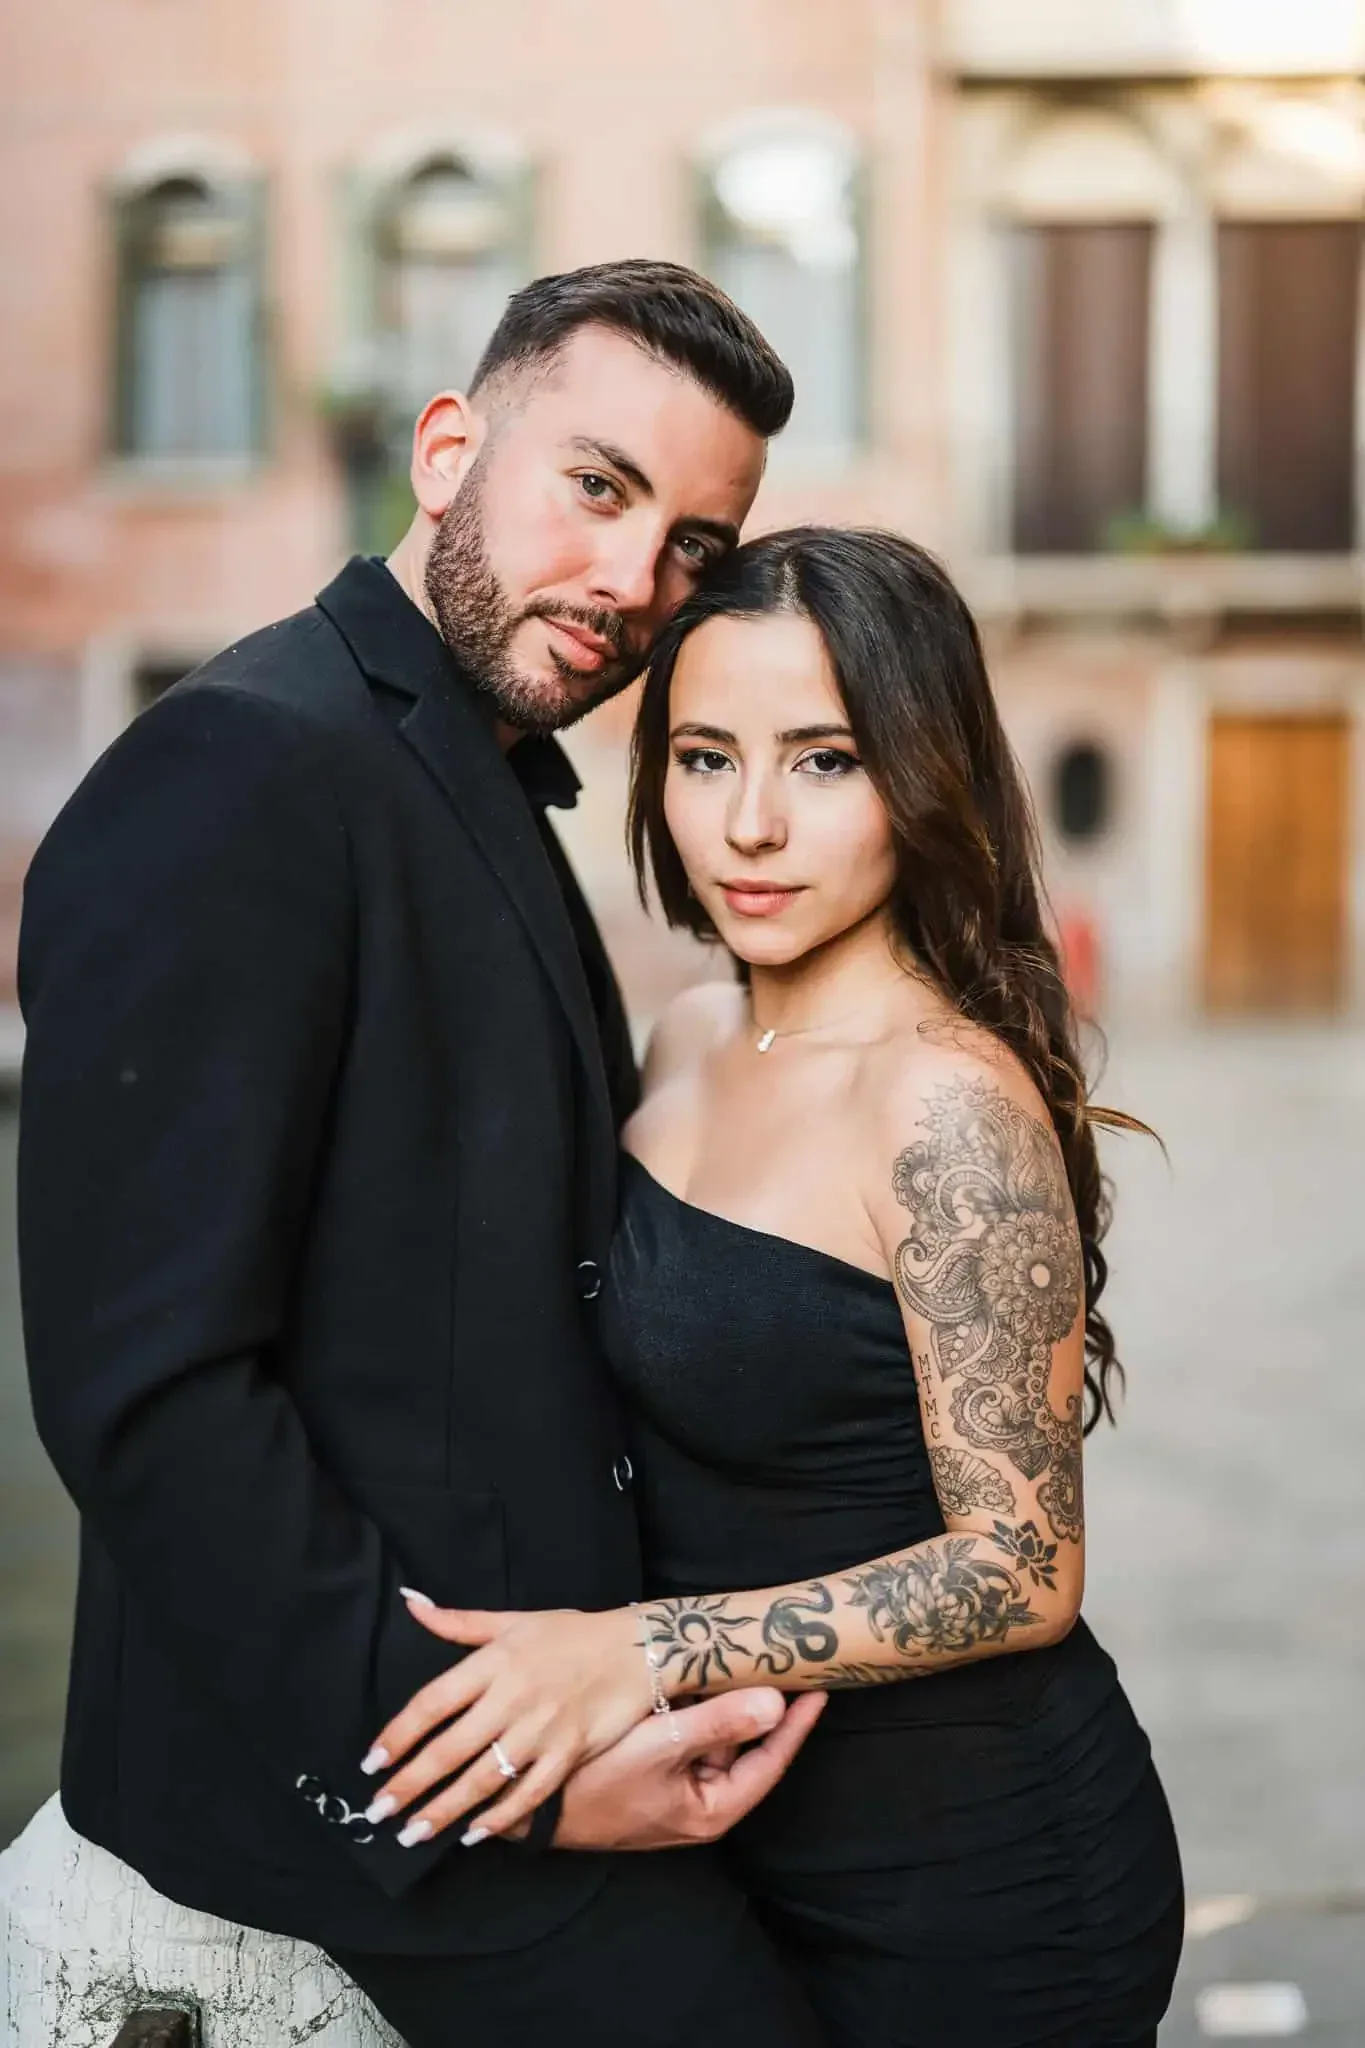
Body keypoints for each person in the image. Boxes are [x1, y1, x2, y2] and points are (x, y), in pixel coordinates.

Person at [16, 264, 832, 2048]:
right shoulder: (239, 768)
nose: (636, 583)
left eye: (694, 542)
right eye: (599, 488)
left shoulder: (459, 759)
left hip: (554, 1716)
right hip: (382, 1804)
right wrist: (508, 1785)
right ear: (449, 448)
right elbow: (146, 1399)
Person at [364, 528, 1186, 2047]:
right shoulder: (685, 1033)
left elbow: (1020, 1564)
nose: (748, 824)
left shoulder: (940, 1102)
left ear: (919, 775)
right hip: (738, 1856)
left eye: (823, 761)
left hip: (985, 1885)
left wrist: (633, 1652)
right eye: (701, 756)